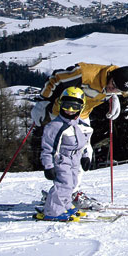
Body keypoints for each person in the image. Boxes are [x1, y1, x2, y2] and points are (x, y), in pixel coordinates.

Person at [30, 63, 128, 177]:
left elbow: (112, 90)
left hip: (82, 115)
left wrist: (113, 97)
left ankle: (74, 190)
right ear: (111, 75)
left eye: (118, 90)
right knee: (66, 152)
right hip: (62, 112)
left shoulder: (116, 87)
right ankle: (61, 189)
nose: (113, 89)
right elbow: (56, 78)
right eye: (113, 84)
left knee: (85, 154)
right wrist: (43, 100)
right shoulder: (85, 74)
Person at [36, 87, 90, 222]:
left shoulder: (80, 125)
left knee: (72, 183)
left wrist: (85, 156)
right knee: (63, 184)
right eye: (66, 105)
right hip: (62, 159)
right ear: (60, 104)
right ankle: (53, 211)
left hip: (75, 159)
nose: (70, 110)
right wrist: (48, 166)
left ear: (81, 107)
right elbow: (48, 148)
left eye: (75, 107)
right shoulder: (55, 126)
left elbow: (83, 143)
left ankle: (64, 205)